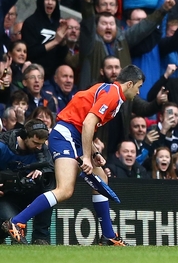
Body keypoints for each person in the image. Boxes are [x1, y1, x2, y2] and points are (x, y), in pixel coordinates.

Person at [3, 65, 146, 246]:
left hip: (73, 135)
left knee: (101, 178)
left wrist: (94, 153)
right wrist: (86, 157)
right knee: (65, 190)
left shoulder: (110, 91)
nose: (138, 92)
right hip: (66, 135)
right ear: (130, 84)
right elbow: (87, 124)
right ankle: (16, 222)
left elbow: (84, 123)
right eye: (138, 87)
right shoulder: (113, 94)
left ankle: (108, 235)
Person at [0, 120, 53, 245]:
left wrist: (42, 171)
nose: (38, 147)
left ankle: (41, 238)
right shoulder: (3, 146)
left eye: (41, 144)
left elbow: (50, 168)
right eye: (35, 143)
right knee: (9, 225)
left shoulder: (41, 149)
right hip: (6, 196)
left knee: (50, 193)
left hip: (28, 192)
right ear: (24, 136)